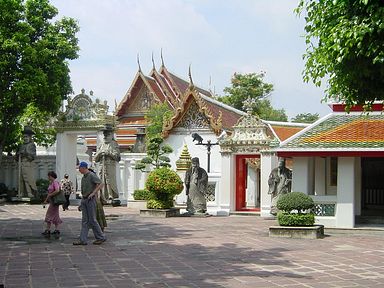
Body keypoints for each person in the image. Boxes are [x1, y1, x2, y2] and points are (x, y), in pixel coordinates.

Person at [73, 162, 106, 245]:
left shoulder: (91, 175)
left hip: (90, 199)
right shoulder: (84, 177)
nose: (79, 170)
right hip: (84, 199)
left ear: (83, 168)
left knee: (92, 220)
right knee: (85, 221)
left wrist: (93, 193)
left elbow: (101, 183)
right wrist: (81, 203)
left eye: (79, 168)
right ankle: (82, 239)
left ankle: (101, 237)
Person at [94, 125, 121, 204]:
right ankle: (102, 197)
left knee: (110, 181)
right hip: (102, 166)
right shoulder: (101, 144)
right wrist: (100, 153)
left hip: (110, 166)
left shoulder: (113, 144)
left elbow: (117, 157)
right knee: (102, 181)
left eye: (107, 134)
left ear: (111, 135)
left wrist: (108, 153)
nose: (105, 136)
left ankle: (111, 196)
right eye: (104, 135)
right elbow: (95, 159)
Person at [16, 126, 38, 198]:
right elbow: (16, 156)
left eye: (26, 137)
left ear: (30, 137)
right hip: (21, 163)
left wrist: (25, 153)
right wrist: (18, 154)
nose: (25, 138)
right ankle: (21, 192)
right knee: (20, 179)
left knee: (27, 179)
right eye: (24, 137)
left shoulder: (32, 145)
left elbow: (33, 156)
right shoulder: (21, 145)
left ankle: (29, 192)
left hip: (28, 164)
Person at [42, 171, 62, 236]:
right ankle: (57, 229)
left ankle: (48, 229)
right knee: (55, 215)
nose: (48, 177)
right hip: (52, 201)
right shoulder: (52, 183)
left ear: (51, 176)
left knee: (49, 214)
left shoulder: (55, 182)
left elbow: (57, 190)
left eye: (49, 176)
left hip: (54, 202)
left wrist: (50, 195)